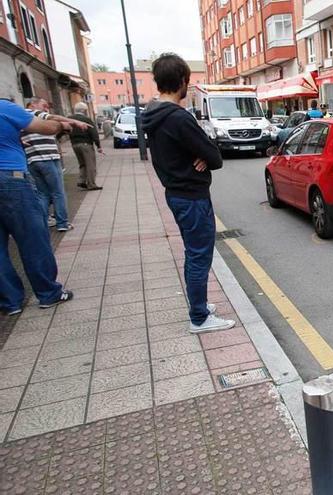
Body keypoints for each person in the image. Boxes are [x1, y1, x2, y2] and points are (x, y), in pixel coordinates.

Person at [141, 53, 235, 334]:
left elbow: (203, 154)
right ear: (183, 81)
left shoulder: (153, 114)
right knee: (199, 255)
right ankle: (199, 317)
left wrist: (202, 153)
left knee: (193, 253)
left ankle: (200, 305)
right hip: (192, 196)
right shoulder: (179, 118)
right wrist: (204, 153)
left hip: (176, 192)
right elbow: (215, 157)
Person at [0, 99, 75, 315]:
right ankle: (48, 293)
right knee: (33, 238)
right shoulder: (5, 107)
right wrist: (63, 125)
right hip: (10, 179)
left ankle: (10, 301)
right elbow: (45, 127)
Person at [20, 97, 87, 232]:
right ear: (33, 104)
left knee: (43, 193)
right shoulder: (33, 113)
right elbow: (54, 117)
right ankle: (62, 222)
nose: (46, 109)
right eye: (44, 105)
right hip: (48, 158)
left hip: (32, 160)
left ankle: (42, 222)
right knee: (58, 192)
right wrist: (75, 121)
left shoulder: (21, 120)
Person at [68, 102, 104, 191]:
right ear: (84, 110)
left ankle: (81, 180)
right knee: (90, 164)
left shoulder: (69, 119)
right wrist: (98, 145)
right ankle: (91, 184)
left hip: (74, 144)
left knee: (82, 163)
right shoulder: (86, 119)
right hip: (86, 144)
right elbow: (94, 133)